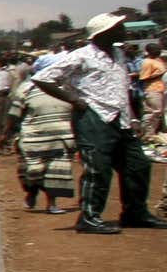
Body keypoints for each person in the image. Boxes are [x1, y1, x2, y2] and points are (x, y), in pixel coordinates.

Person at [33, 13, 167, 233]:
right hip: (94, 117)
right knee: (98, 169)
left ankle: (135, 212)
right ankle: (89, 217)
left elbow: (122, 89)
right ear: (104, 32)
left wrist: (133, 117)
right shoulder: (82, 56)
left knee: (138, 165)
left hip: (121, 119)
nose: (123, 30)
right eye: (118, 27)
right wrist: (74, 100)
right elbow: (42, 78)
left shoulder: (119, 55)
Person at [6, 57, 76, 214]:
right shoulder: (26, 88)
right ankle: (32, 192)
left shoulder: (68, 88)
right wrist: (7, 133)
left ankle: (51, 204)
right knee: (34, 171)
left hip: (62, 138)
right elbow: (14, 113)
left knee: (56, 171)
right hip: (33, 138)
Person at [139, 44, 164, 137]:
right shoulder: (147, 62)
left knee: (158, 112)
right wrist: (159, 74)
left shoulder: (158, 60)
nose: (158, 51)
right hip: (152, 89)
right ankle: (146, 134)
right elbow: (143, 78)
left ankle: (151, 133)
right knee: (153, 112)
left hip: (161, 89)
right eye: (156, 49)